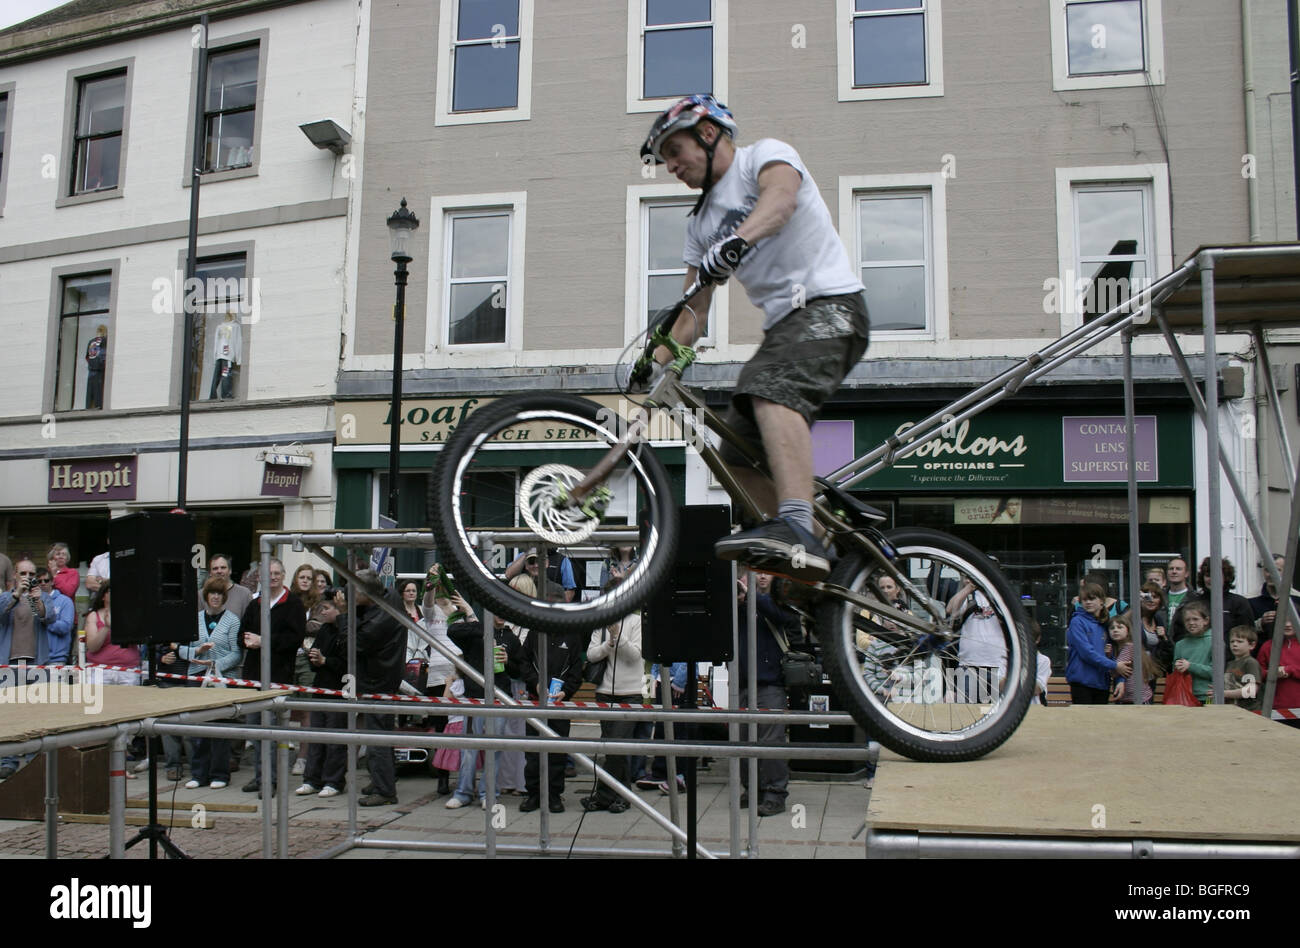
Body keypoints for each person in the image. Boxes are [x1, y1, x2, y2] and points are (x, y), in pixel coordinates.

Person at [640, 94, 869, 582]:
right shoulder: (700, 225)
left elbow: (781, 201)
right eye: (664, 160)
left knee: (768, 387)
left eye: (676, 151)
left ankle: (796, 525)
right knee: (736, 456)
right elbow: (692, 312)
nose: (671, 166)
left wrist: (739, 239)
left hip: (833, 308)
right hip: (785, 330)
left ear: (708, 133)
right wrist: (655, 361)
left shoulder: (763, 157)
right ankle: (818, 559)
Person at [445, 592, 523, 809]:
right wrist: (471, 616)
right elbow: (452, 631)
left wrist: (508, 662)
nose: (501, 616)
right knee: (469, 748)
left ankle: (488, 793)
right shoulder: (476, 631)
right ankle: (462, 792)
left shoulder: (510, 638)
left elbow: (520, 670)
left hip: (499, 698)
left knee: (494, 749)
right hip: (474, 697)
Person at [240, 558, 305, 795]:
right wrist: (248, 640)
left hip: (278, 676)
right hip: (254, 675)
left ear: (283, 575)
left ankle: (272, 779)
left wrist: (264, 641)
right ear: (260, 578)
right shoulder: (255, 604)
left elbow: (294, 640)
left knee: (274, 732)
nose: (274, 577)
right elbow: (242, 633)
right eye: (269, 574)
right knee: (255, 731)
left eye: (278, 573)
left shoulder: (293, 604)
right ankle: (259, 776)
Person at [735, 570, 797, 816]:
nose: (761, 577)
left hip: (770, 683)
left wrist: (751, 597)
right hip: (742, 682)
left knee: (771, 742)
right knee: (742, 741)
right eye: (756, 573)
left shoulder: (780, 602)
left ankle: (775, 793)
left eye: (766, 574)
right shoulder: (740, 603)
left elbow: (782, 617)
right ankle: (753, 789)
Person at [580, 580, 644, 813]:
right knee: (612, 746)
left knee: (617, 746)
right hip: (605, 692)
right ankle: (617, 796)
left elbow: (635, 656)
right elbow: (591, 654)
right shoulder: (601, 623)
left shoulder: (637, 621)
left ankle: (609, 795)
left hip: (631, 693)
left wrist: (618, 636)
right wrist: (609, 643)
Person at [351, 569, 408, 806]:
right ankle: (381, 780)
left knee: (377, 738)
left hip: (378, 681)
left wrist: (346, 615)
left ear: (367, 593)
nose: (350, 595)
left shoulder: (378, 619)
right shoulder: (390, 597)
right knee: (380, 735)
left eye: (355, 591)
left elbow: (355, 644)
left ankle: (385, 791)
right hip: (384, 677)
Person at [181, 578, 243, 789]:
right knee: (198, 729)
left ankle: (220, 774)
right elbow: (180, 648)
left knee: (219, 729)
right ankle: (198, 774)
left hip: (221, 679)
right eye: (212, 593)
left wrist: (215, 663)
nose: (215, 597)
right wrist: (196, 652)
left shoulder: (233, 620)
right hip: (197, 677)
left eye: (219, 594)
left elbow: (236, 653)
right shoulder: (194, 618)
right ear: (206, 596)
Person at [296, 596, 349, 797]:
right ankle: (312, 779)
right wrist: (314, 659)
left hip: (338, 690)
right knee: (316, 736)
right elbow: (315, 658)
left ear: (339, 609)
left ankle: (333, 781)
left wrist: (325, 661)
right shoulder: (324, 630)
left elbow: (346, 662)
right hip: (321, 688)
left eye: (327, 608)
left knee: (335, 739)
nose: (323, 612)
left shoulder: (346, 631)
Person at [1169, 557, 1255, 648]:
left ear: (1226, 577)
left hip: (1229, 659)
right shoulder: (1193, 602)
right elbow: (1179, 633)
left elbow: (1248, 634)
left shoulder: (1239, 603)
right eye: (1208, 575)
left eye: (1216, 575)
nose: (1212, 579)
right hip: (1198, 657)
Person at [1065, 582, 1128, 705]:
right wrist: (1114, 666)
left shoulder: (1105, 623)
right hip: (1082, 681)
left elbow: (1115, 652)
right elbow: (1086, 652)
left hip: (1102, 683)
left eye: (1092, 598)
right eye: (1084, 600)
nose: (1088, 602)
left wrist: (1120, 679)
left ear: (1102, 601)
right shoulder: (1077, 621)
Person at [948, 573, 1007, 703]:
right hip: (969, 664)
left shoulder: (1001, 597)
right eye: (966, 577)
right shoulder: (968, 597)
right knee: (966, 712)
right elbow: (951, 609)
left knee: (997, 713)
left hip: (997, 663)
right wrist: (968, 588)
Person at [84, 581, 139, 685]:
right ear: (103, 596)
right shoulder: (93, 615)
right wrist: (106, 627)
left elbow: (139, 639)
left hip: (128, 670)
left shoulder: (131, 614)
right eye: (111, 591)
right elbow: (92, 647)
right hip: (100, 670)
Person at [1257, 619, 1300, 728]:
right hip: (1276, 709)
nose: (1287, 624)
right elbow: (1256, 673)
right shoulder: (1268, 646)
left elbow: (1290, 670)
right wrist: (1272, 673)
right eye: (1284, 620)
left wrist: (1289, 670)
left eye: (1291, 620)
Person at [1173, 601, 1215, 703]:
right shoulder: (1180, 645)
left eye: (1195, 619)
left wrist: (1190, 666)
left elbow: (1215, 672)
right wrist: (1177, 666)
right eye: (1187, 620)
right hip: (1184, 695)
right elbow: (1174, 671)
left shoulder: (1214, 641)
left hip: (1207, 696)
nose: (1191, 623)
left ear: (1206, 620)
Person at [1107, 613, 1151, 705]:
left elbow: (1116, 670)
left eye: (1119, 627)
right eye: (1112, 628)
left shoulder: (1129, 647)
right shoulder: (1115, 649)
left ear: (1128, 630)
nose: (1115, 630)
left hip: (1139, 697)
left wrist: (1108, 657)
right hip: (1126, 697)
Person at [1224, 625, 1263, 713]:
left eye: (1239, 641)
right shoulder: (1229, 664)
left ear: (1252, 645)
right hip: (1232, 711)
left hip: (1249, 711)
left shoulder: (1250, 662)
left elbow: (1251, 691)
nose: (1234, 644)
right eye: (1232, 641)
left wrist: (1223, 693)